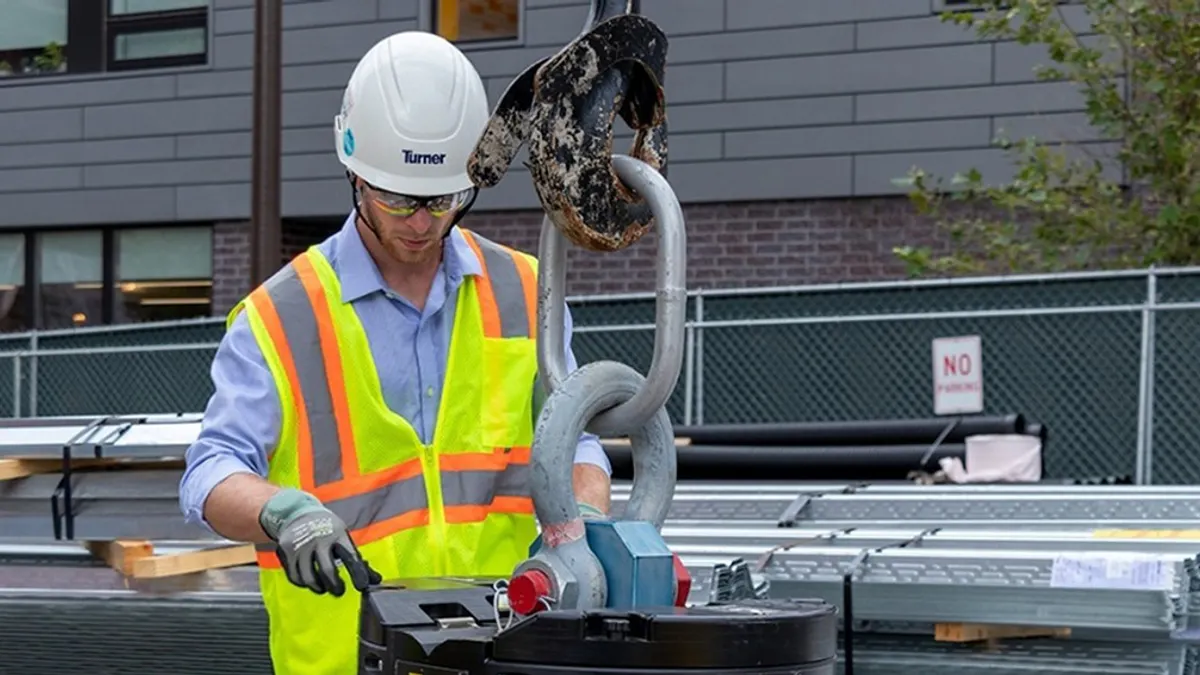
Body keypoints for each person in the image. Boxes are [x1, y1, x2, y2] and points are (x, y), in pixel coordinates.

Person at [178, 30, 613, 675]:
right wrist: (283, 512)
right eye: (399, 198)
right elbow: (209, 472)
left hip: (510, 651)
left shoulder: (526, 292)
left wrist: (582, 523)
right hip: (346, 657)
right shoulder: (281, 316)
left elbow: (576, 441)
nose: (422, 222)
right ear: (354, 170)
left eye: (443, 199)